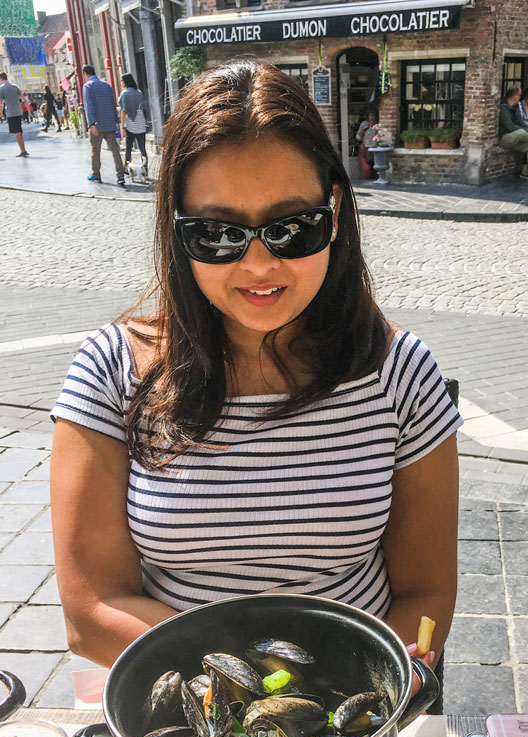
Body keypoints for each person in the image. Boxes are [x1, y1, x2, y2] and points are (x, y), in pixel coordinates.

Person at [50, 60, 460, 701]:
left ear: (336, 211)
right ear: (175, 230)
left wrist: (352, 703)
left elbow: (426, 592)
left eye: (292, 226)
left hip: (352, 711)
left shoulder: (402, 375)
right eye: (217, 233)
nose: (259, 263)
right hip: (185, 714)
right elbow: (91, 608)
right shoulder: (109, 373)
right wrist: (257, 687)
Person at [82, 64, 125, 186]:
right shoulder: (106, 85)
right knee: (115, 150)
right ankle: (120, 175)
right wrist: (116, 122)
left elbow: (88, 106)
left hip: (97, 125)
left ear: (85, 74)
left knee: (95, 150)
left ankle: (96, 174)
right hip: (110, 123)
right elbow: (113, 104)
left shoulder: (87, 87)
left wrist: (91, 124)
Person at [498, 86, 528, 181]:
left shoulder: (515, 107)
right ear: (514, 96)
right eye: (519, 95)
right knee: (521, 132)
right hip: (506, 138)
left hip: (518, 138)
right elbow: (510, 126)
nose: (520, 97)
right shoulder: (503, 108)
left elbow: (520, 122)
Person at [119, 73, 148, 174]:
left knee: (128, 148)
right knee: (142, 149)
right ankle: (145, 168)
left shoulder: (124, 94)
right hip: (141, 124)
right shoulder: (139, 92)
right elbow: (144, 108)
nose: (121, 83)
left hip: (131, 125)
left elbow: (123, 111)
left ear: (125, 82)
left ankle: (127, 168)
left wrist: (122, 127)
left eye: (121, 81)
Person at [0, 73, 29, 157]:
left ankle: (22, 151)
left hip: (10, 112)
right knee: (19, 131)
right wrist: (28, 110)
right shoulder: (14, 86)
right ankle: (23, 150)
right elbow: (23, 99)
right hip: (18, 111)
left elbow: (1, 102)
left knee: (17, 132)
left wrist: (1, 112)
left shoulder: (2, 89)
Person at [355, 108, 378, 180]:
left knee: (376, 169)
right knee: (366, 168)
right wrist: (361, 131)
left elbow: (382, 137)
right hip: (365, 149)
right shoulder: (364, 124)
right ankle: (366, 182)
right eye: (370, 115)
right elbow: (357, 138)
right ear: (367, 116)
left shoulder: (378, 125)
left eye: (373, 115)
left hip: (375, 150)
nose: (371, 117)